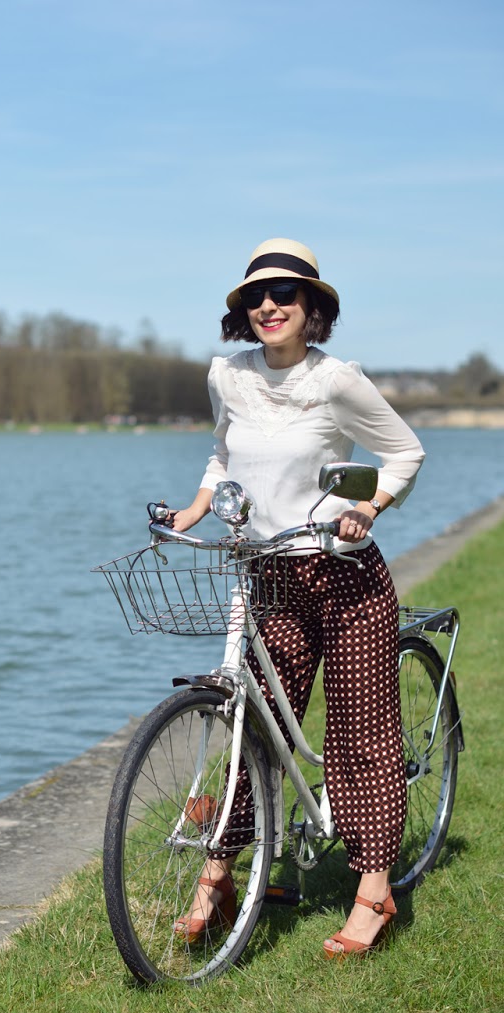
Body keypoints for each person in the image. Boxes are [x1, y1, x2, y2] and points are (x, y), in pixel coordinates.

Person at [171, 238, 425, 958]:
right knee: (257, 729)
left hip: (343, 577)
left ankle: (373, 891)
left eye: (284, 293)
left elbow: (404, 450)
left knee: (358, 734)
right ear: (241, 312)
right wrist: (192, 511)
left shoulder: (336, 380)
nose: (268, 306)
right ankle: (216, 878)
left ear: (312, 307)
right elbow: (222, 452)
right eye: (254, 296)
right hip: (269, 572)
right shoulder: (227, 375)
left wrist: (369, 505)